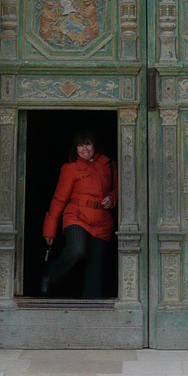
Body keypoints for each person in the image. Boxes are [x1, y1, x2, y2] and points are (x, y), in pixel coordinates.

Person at [42, 126, 117, 298]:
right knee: (76, 249)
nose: (85, 149)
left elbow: (120, 189)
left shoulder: (108, 164)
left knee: (94, 270)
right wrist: (50, 229)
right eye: (80, 145)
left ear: (94, 145)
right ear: (75, 148)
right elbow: (59, 199)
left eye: (88, 144)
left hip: (102, 221)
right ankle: (50, 276)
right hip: (76, 216)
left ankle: (90, 310)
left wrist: (112, 198)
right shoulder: (70, 168)